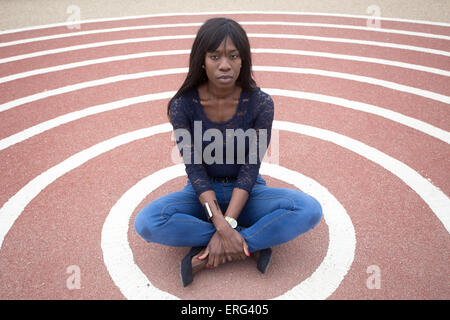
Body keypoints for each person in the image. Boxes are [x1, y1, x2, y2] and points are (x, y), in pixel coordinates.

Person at [134, 17, 323, 287]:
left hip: (247, 191)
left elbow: (250, 169)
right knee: (147, 223)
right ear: (202, 59)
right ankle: (249, 242)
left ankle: (222, 246)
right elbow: (195, 170)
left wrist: (229, 220)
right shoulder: (182, 106)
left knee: (308, 209)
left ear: (243, 60)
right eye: (215, 56)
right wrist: (222, 227)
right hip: (202, 193)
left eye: (233, 56)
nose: (225, 64)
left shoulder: (261, 103)